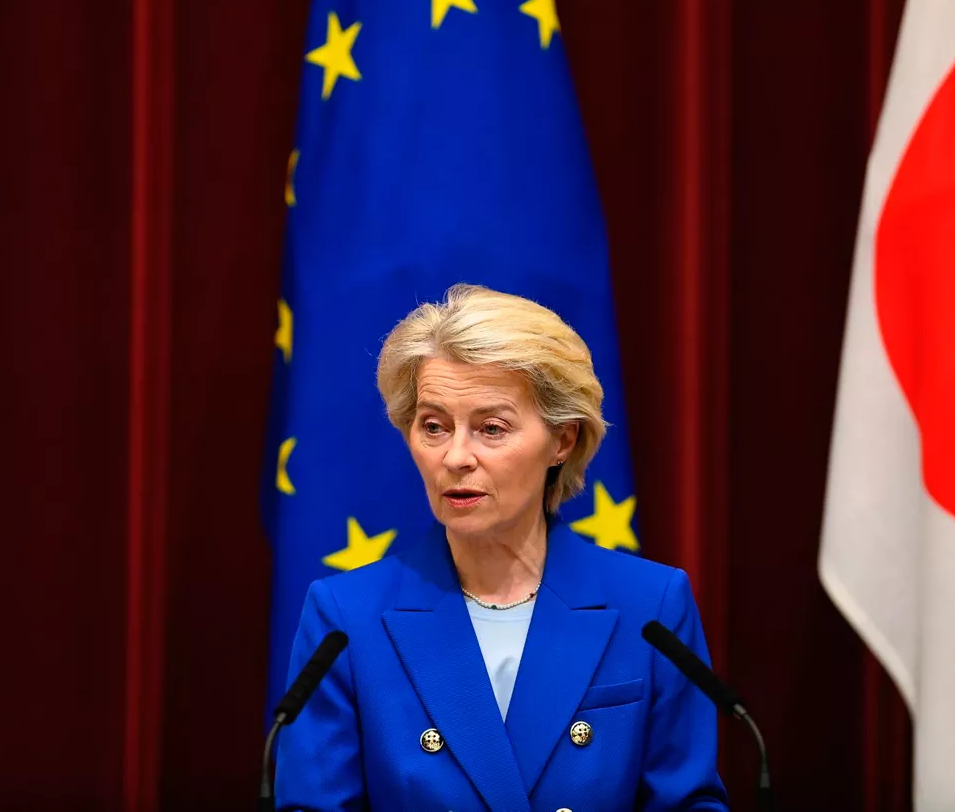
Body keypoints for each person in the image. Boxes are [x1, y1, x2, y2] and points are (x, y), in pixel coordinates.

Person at [274, 284, 728, 811]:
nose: (456, 456)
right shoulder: (346, 618)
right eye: (434, 426)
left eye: (491, 428)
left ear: (563, 441)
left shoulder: (651, 607)